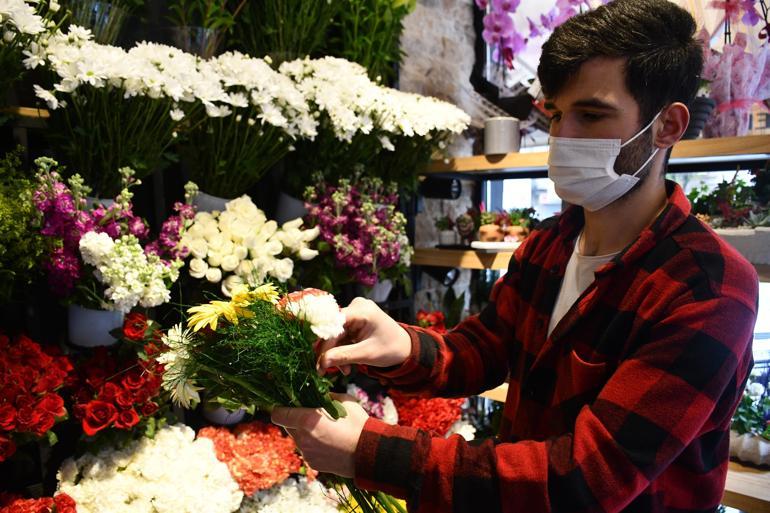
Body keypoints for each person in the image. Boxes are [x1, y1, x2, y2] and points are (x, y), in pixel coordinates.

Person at [271, 1, 760, 511]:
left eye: (591, 115)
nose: (563, 137)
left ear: (668, 126)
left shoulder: (708, 288)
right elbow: (485, 350)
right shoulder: (550, 245)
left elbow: (586, 481)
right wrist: (398, 344)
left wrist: (369, 452)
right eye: (556, 115)